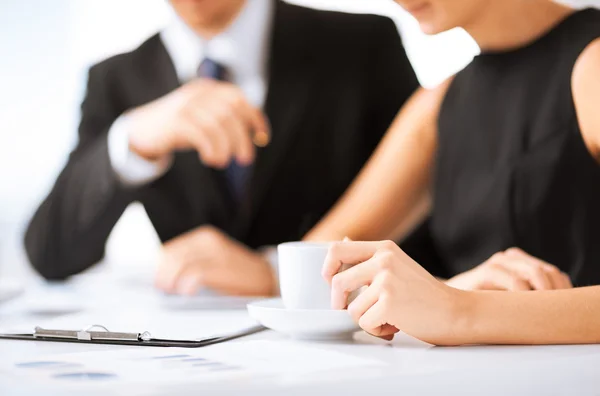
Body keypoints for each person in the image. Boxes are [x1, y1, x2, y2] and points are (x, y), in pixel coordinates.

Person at [24, 0, 419, 296]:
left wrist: (274, 272)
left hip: (348, 340)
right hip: (190, 349)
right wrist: (131, 139)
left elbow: (430, 211)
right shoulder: (115, 80)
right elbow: (49, 252)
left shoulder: (363, 45)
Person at [306, 0, 600, 345]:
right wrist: (450, 290)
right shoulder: (439, 102)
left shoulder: (592, 66)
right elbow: (318, 263)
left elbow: (455, 309)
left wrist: (460, 309)